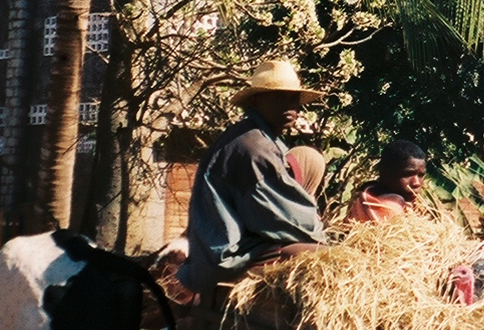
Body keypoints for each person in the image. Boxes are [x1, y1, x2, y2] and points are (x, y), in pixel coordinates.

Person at [175, 58, 330, 295]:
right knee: (329, 257)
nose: (291, 107)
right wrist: (322, 236)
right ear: (256, 101)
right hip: (227, 254)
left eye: (294, 99)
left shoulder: (256, 137)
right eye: (280, 98)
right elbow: (281, 218)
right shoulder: (254, 147)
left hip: (220, 248)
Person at [347, 140, 427, 223]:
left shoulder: (409, 206)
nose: (416, 183)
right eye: (407, 174)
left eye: (421, 175)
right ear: (385, 172)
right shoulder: (387, 207)